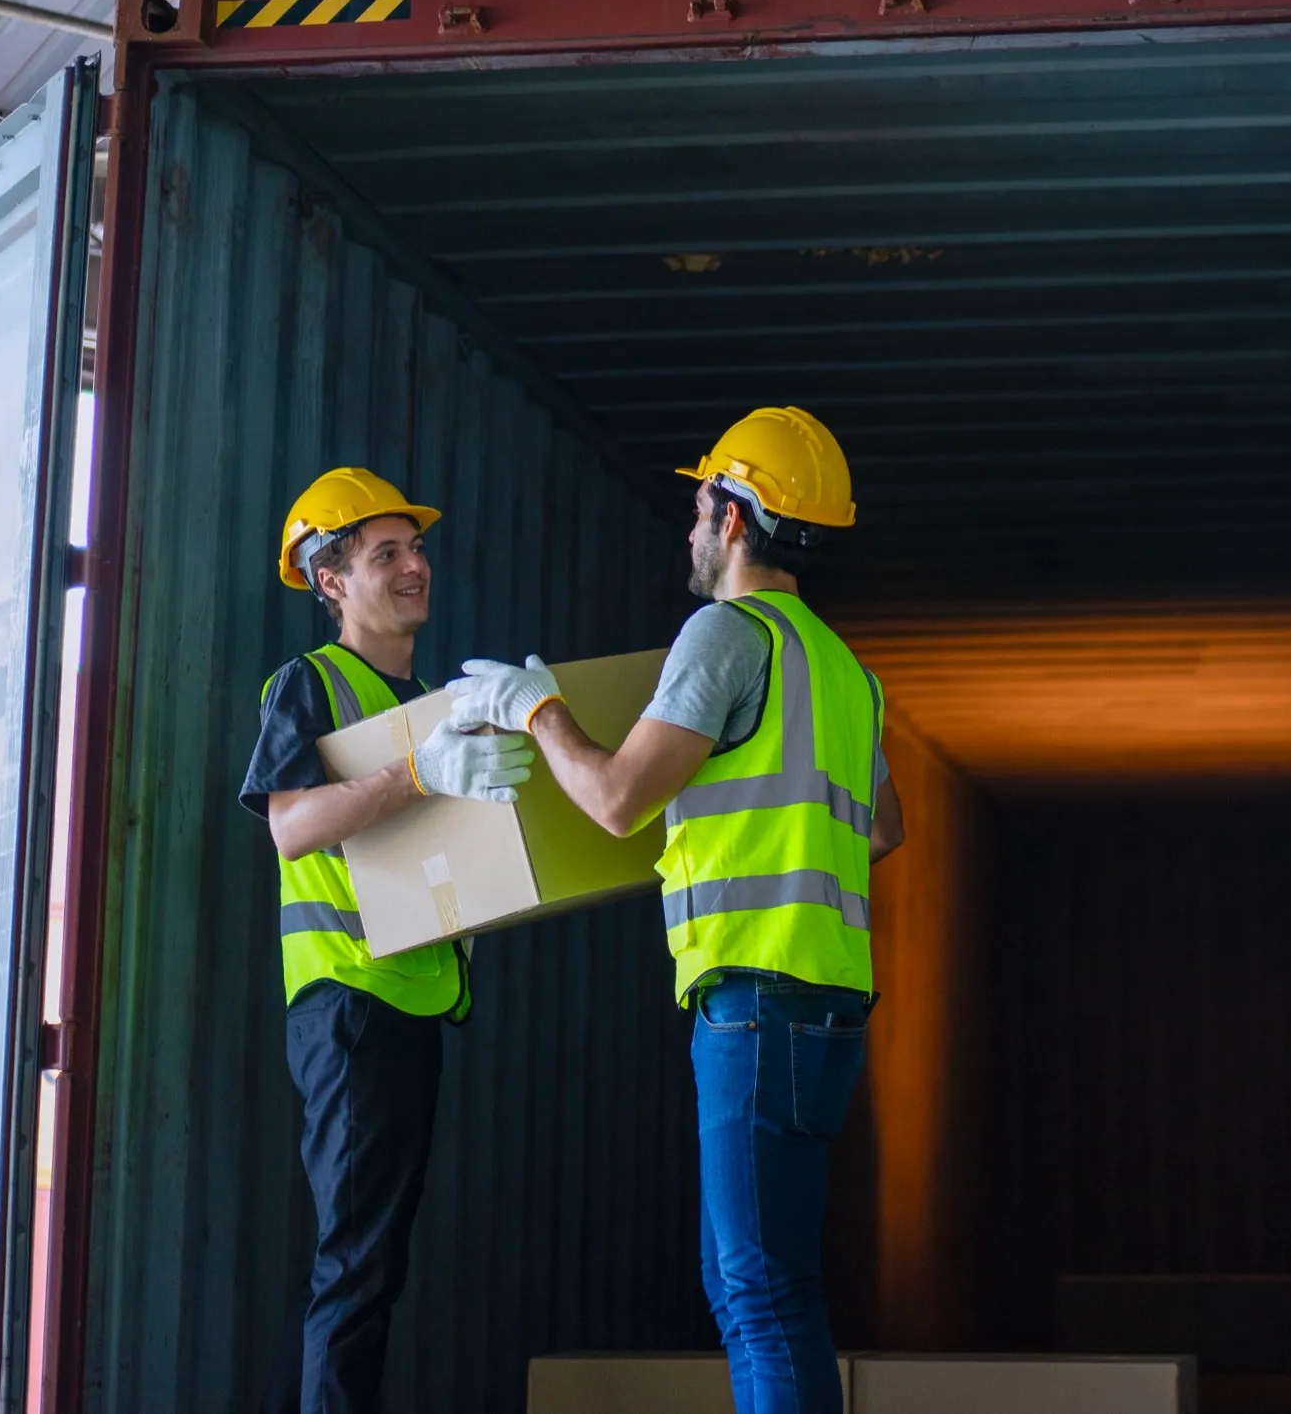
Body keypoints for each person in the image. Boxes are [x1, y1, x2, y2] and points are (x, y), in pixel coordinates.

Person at [449, 407, 903, 1414]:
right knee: (758, 1282)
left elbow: (617, 798)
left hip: (752, 996)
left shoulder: (726, 632)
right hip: (826, 1010)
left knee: (757, 1289)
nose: (690, 524)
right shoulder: (844, 670)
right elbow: (880, 827)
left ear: (735, 516)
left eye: (702, 501)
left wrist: (536, 707)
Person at [240, 467, 536, 1414]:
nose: (418, 567)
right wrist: (422, 771)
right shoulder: (312, 683)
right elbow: (289, 826)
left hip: (405, 1005)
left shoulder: (421, 700)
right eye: (387, 554)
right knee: (359, 1275)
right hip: (350, 1008)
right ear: (330, 581)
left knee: (355, 1269)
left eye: (417, 548)